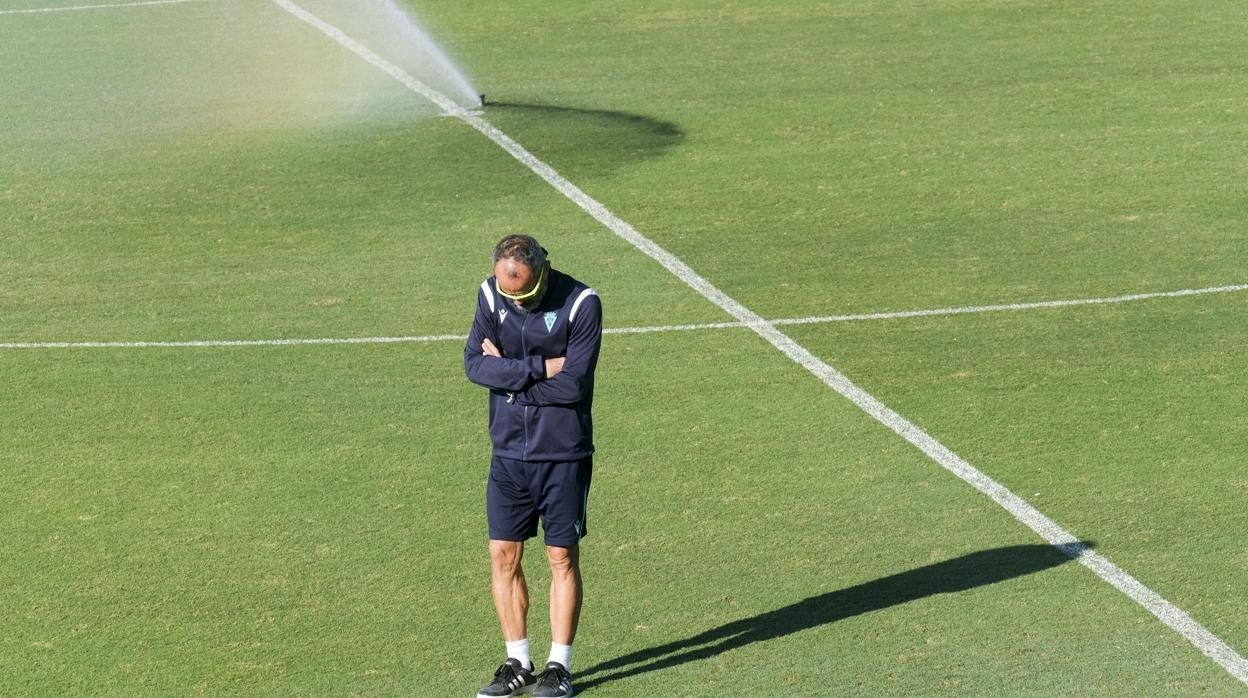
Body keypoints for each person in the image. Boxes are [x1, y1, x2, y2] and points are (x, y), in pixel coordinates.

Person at [464, 234, 603, 698]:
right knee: (503, 555)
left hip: (562, 455)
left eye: (525, 292)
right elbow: (474, 367)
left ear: (543, 268)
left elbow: (574, 387)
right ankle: (517, 660)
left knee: (560, 557)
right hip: (507, 454)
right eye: (511, 295)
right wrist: (541, 369)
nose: (517, 301)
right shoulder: (489, 294)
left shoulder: (582, 303)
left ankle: (558, 666)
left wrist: (508, 376)